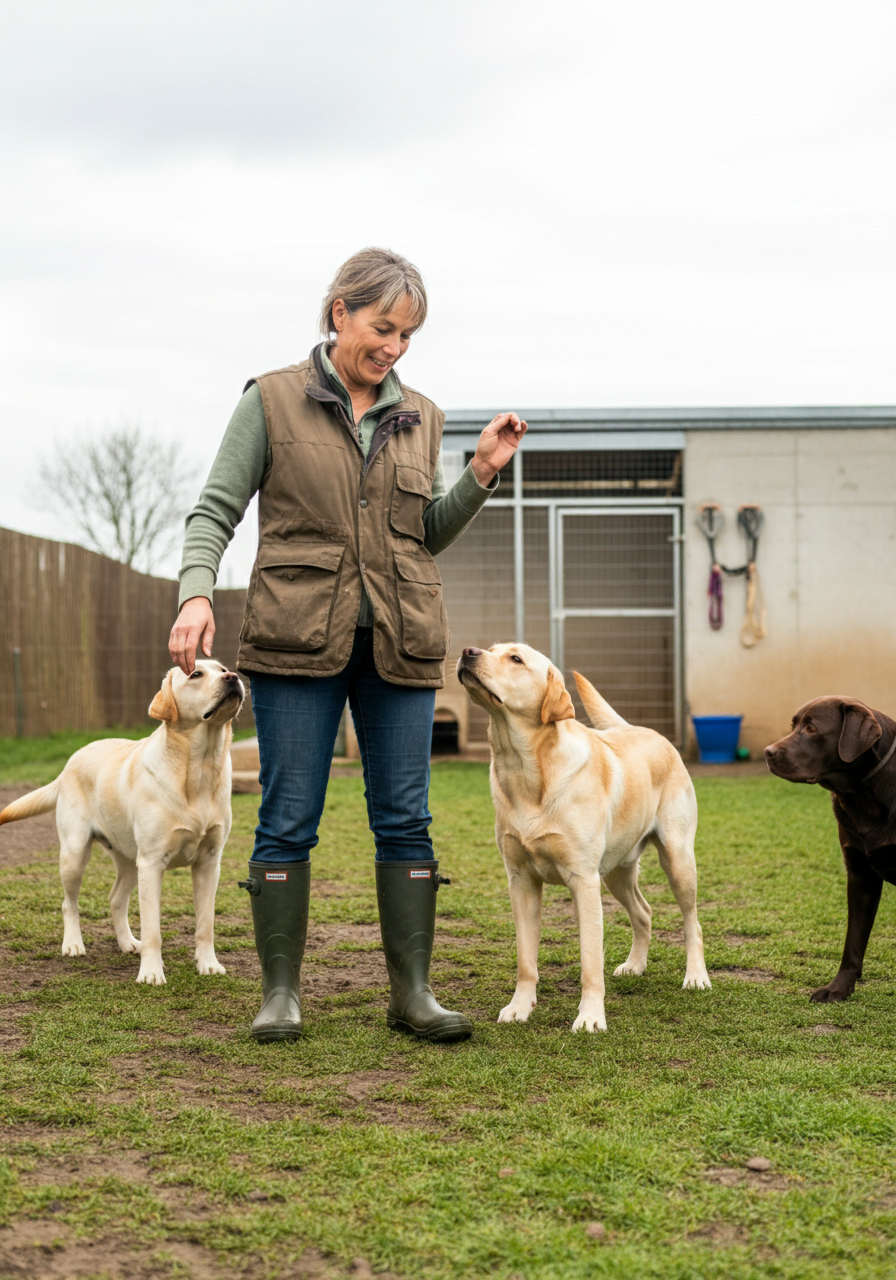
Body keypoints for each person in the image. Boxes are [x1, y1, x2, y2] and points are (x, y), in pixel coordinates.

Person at [168, 247, 526, 1045]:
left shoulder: (421, 416)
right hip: (296, 642)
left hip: (400, 641)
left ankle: (413, 994)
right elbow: (214, 510)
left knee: (406, 819)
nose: (394, 346)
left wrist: (481, 474)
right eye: (383, 327)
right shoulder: (269, 402)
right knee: (287, 816)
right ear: (340, 313)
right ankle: (280, 993)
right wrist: (196, 589)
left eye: (407, 335)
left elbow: (423, 533)